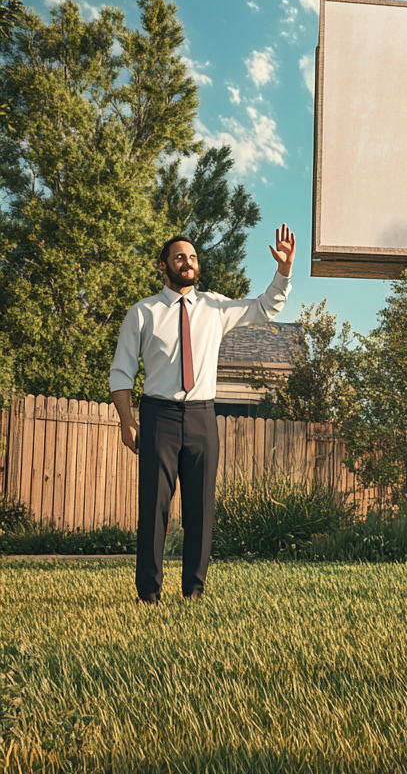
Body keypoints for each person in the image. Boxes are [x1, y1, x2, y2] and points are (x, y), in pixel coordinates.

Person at [109, 225, 296, 604]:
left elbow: (265, 307)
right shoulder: (143, 312)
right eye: (179, 257)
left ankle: (194, 591)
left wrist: (285, 269)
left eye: (192, 257)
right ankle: (148, 594)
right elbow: (121, 372)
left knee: (201, 509)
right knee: (154, 507)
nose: (187, 262)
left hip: (202, 417)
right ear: (163, 266)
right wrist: (128, 420)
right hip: (158, 415)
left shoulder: (215, 307)